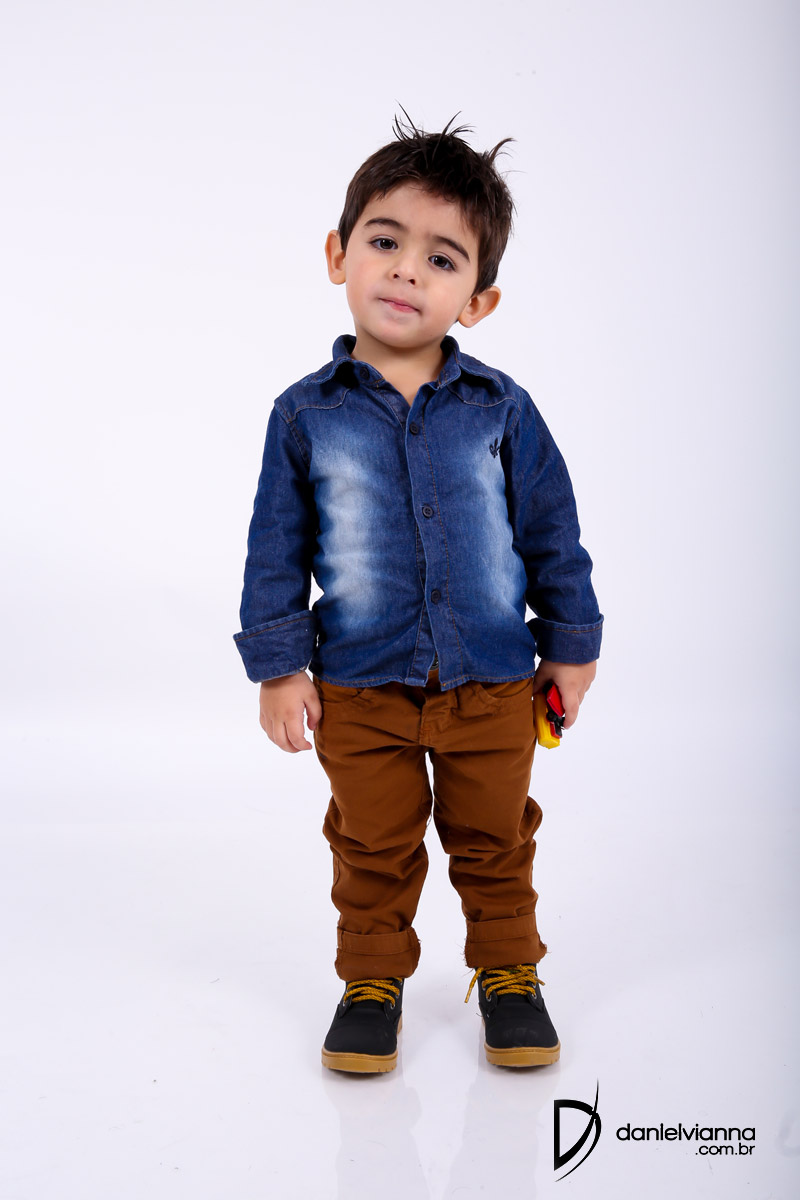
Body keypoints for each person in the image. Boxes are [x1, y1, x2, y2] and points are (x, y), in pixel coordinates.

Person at [234, 114, 602, 1073]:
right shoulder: (304, 415)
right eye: (385, 241)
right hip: (360, 688)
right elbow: (275, 549)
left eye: (441, 259)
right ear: (337, 255)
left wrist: (571, 642)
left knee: (495, 838)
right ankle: (372, 981)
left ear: (477, 300)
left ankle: (510, 973)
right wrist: (279, 667)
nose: (406, 271)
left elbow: (552, 530)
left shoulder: (501, 409)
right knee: (372, 843)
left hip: (492, 681)